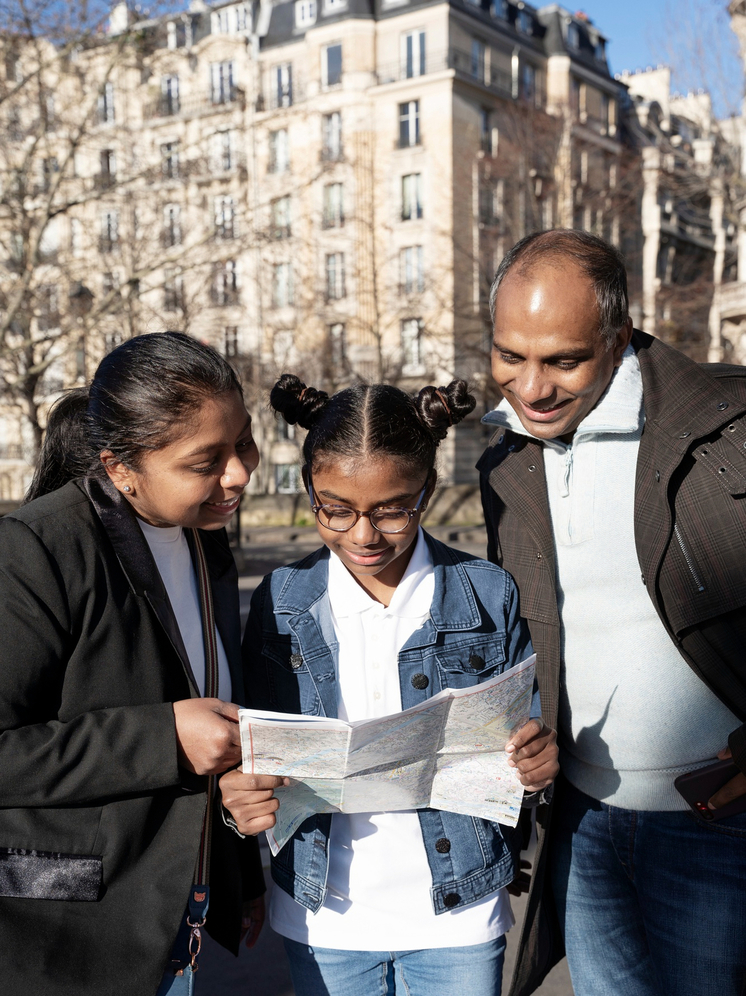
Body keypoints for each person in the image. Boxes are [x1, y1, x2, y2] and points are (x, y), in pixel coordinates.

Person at [221, 375, 559, 996]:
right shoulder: (283, 598)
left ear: (426, 491)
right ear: (309, 491)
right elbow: (259, 742)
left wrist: (537, 760)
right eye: (336, 508)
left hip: (459, 912)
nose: (363, 535)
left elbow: (528, 729)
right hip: (324, 915)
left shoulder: (487, 592)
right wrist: (240, 792)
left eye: (392, 509)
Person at [477, 229, 746, 996]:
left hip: (718, 831)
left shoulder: (730, 423)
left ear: (618, 338)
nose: (530, 388)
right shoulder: (501, 453)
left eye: (563, 360)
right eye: (509, 355)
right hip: (583, 823)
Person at [0, 332, 279, 996]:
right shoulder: (37, 550)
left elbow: (214, 715)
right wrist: (164, 737)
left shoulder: (204, 538)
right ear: (120, 468)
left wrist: (237, 876)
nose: (238, 474)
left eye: (241, 443)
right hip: (68, 939)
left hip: (173, 916)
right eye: (206, 460)